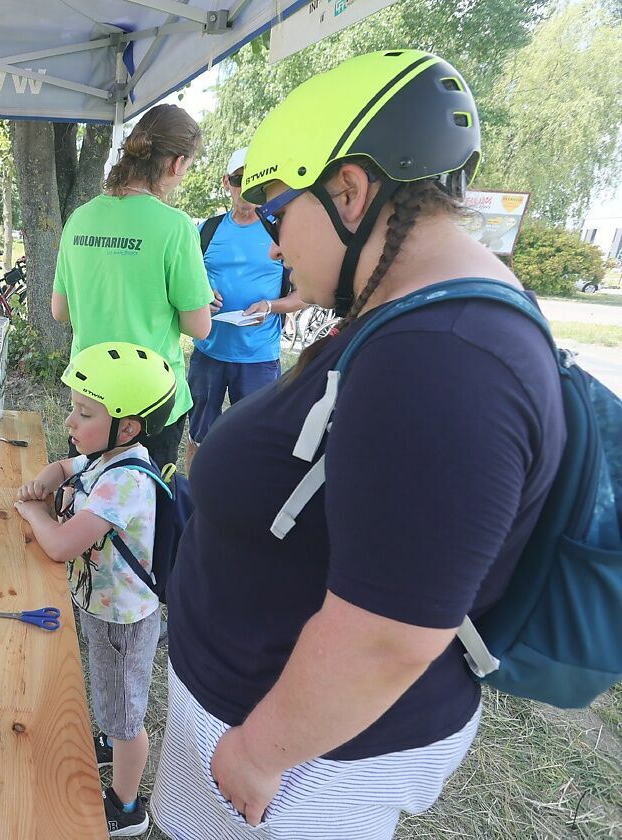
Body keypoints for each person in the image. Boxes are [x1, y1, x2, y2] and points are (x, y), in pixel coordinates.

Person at [151, 50, 565, 839]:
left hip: (301, 762)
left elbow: (389, 634)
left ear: (349, 190)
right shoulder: (414, 316)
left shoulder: (448, 358)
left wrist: (261, 752)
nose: (274, 248)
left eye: (278, 214)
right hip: (269, 723)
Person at [15, 342, 176, 837]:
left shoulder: (124, 482)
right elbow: (69, 468)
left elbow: (62, 545)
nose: (69, 421)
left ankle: (127, 807)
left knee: (127, 717)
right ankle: (110, 741)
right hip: (103, 606)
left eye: (84, 413)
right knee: (110, 695)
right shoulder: (105, 458)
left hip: (122, 620)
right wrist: (49, 474)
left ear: (127, 428)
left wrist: (34, 512)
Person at [52, 104, 214, 470]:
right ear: (177, 163)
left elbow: (59, 311)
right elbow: (200, 327)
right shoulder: (176, 226)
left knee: (83, 492)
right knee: (142, 502)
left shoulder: (80, 218)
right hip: (149, 401)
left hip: (91, 396)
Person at [185, 147, 304, 472]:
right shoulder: (207, 230)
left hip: (258, 359)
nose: (247, 189)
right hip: (208, 354)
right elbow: (185, 284)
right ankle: (196, 497)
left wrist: (272, 305)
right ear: (226, 182)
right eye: (240, 180)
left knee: (255, 443)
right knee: (199, 439)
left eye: (255, 181)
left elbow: (306, 296)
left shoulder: (280, 233)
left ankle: (242, 498)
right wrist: (201, 296)